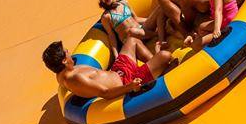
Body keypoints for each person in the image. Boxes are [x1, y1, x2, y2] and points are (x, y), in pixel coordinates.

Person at [42, 36, 173, 99]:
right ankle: (158, 70)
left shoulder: (65, 71)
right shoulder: (75, 78)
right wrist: (130, 86)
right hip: (127, 82)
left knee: (132, 41)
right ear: (64, 60)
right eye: (67, 52)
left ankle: (155, 67)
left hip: (117, 72)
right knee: (165, 55)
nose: (70, 52)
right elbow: (105, 93)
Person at [96, 0, 164, 62]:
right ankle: (156, 34)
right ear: (101, 1)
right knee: (132, 31)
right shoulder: (106, 16)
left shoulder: (124, 3)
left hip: (142, 30)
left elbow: (136, 19)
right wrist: (116, 55)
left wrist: (151, 20)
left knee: (159, 9)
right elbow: (112, 36)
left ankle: (162, 40)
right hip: (131, 38)